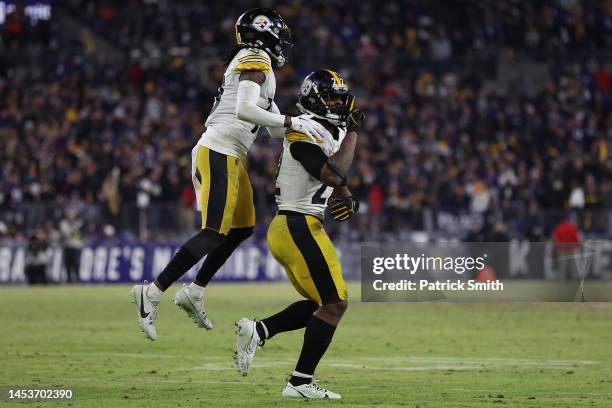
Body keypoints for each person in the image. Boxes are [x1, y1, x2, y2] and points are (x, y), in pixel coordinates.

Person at [130, 8, 327, 341]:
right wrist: (292, 122)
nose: (284, 43)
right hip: (219, 149)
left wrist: (311, 124)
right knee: (213, 232)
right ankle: (152, 291)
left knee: (241, 228)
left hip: (232, 153)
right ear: (267, 34)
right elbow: (245, 110)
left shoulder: (257, 62)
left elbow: (274, 130)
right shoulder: (256, 58)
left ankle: (195, 290)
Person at [234, 70, 364, 399]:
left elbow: (332, 173)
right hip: (298, 225)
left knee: (323, 303)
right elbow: (331, 171)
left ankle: (259, 330)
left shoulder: (320, 130)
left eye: (340, 97)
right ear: (315, 99)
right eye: (332, 98)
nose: (338, 103)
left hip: (294, 226)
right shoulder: (303, 129)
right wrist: (353, 132)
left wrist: (345, 194)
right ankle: (299, 382)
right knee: (335, 304)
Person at [59, 208, 83, 283]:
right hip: (67, 246)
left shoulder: (78, 223)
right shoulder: (64, 223)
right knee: (68, 264)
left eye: (72, 214)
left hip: (76, 246)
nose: (71, 216)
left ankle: (77, 279)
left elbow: (78, 235)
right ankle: (69, 280)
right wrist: (74, 229)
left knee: (76, 264)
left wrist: (74, 231)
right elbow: (65, 234)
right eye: (70, 214)